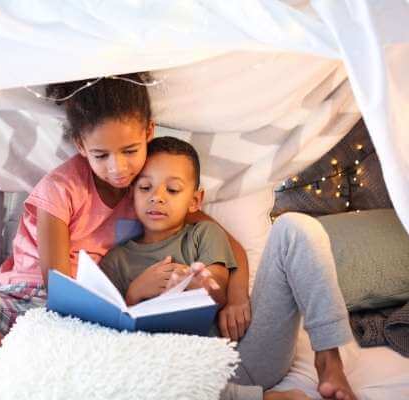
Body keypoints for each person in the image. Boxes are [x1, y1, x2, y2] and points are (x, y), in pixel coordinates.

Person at [0, 73, 253, 400]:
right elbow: (55, 284)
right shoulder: (61, 190)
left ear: (148, 132)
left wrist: (237, 298)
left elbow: (227, 243)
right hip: (30, 307)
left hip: (90, 321)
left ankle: (8, 376)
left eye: (130, 151)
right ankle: (11, 368)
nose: (118, 168)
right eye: (101, 155)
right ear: (81, 145)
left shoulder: (146, 188)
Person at [99, 136, 357, 400]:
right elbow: (110, 340)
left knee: (296, 227)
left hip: (244, 356)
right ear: (131, 194)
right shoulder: (116, 260)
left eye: (173, 190)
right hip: (181, 376)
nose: (157, 198)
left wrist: (194, 285)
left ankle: (328, 361)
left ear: (195, 200)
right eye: (145, 188)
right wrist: (134, 294)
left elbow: (218, 290)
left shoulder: (202, 233)